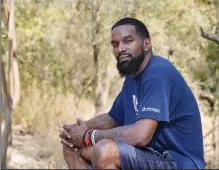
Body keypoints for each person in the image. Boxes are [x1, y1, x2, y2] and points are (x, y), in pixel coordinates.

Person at [59, 17, 205, 169]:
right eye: (115, 44)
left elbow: (140, 135)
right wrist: (78, 130)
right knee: (71, 145)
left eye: (128, 41)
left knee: (105, 151)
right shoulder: (133, 77)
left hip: (178, 162)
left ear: (146, 44)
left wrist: (88, 136)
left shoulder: (158, 73)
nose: (120, 48)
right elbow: (112, 118)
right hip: (149, 156)